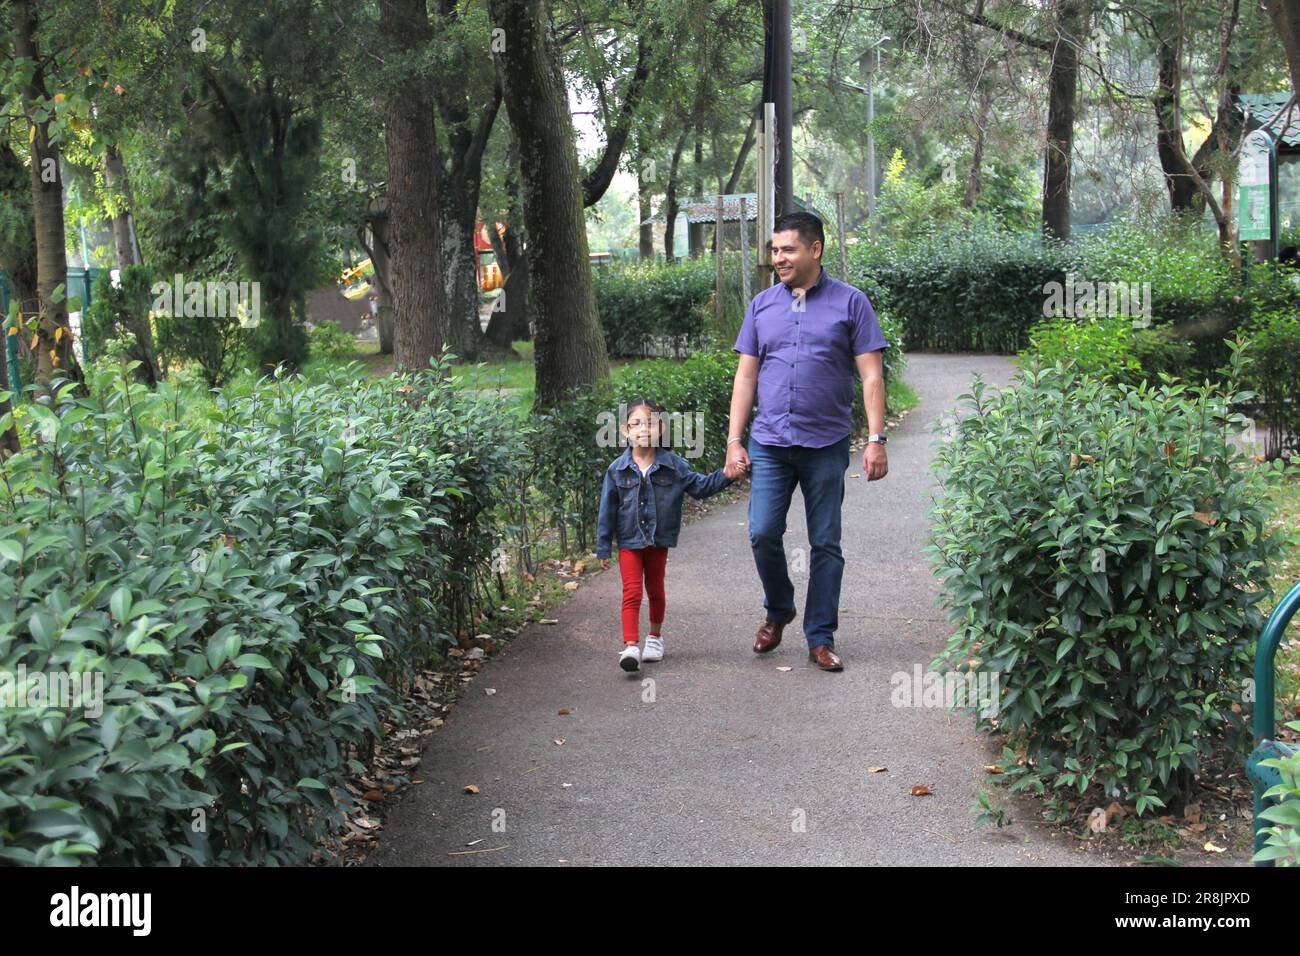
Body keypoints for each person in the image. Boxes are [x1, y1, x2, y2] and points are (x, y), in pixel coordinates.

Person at [724, 211, 890, 672]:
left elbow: (871, 373)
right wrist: (734, 440)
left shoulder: (851, 303)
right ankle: (779, 610)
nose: (778, 258)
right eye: (775, 250)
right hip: (771, 443)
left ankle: (820, 636)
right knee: (761, 533)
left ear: (815, 249)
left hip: (826, 444)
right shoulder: (761, 306)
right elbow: (746, 376)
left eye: (788, 249)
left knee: (826, 543)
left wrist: (876, 438)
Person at [596, 398, 737, 672]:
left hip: (658, 540)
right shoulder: (616, 469)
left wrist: (727, 475)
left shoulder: (673, 465)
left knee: (655, 589)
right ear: (626, 430)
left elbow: (700, 486)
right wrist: (603, 547)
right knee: (632, 591)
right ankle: (631, 646)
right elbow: (607, 509)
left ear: (661, 429)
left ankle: (654, 637)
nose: (643, 429)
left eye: (649, 423)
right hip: (629, 540)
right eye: (636, 423)